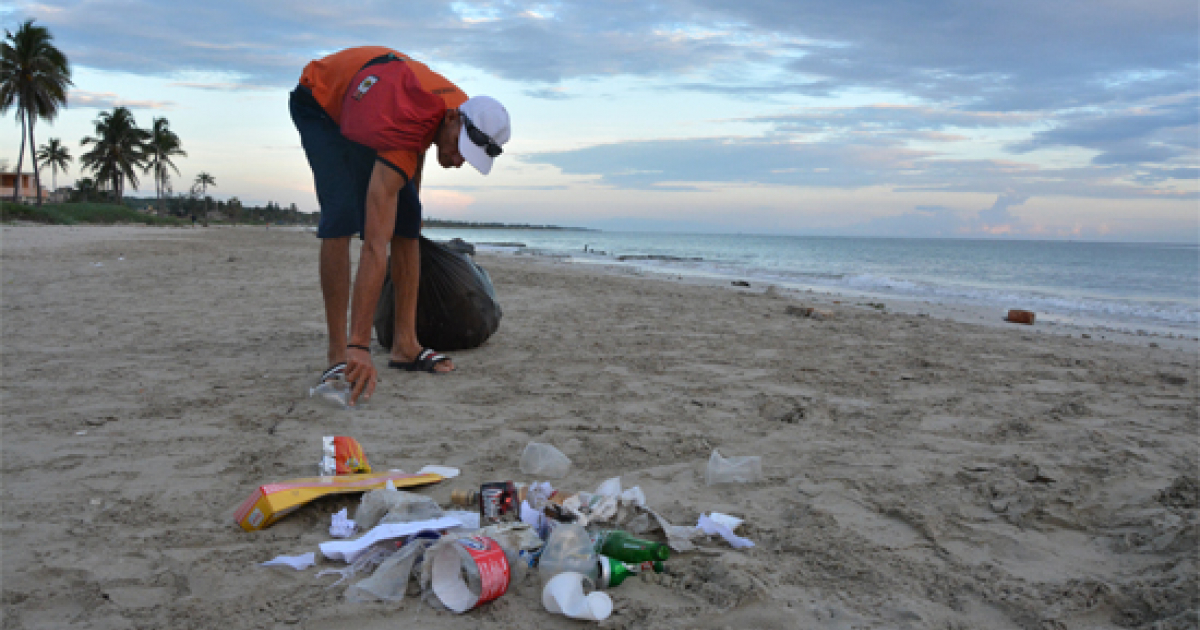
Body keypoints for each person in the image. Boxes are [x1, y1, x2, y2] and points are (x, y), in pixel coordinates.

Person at [290, 47, 511, 405]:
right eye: (459, 149)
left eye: (466, 158)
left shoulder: (453, 110)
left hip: (373, 102)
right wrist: (360, 345)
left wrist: (409, 214)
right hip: (320, 99)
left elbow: (418, 158)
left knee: (408, 220)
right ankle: (339, 355)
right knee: (342, 215)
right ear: (454, 119)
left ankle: (405, 345)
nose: (456, 162)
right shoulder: (408, 119)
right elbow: (375, 244)